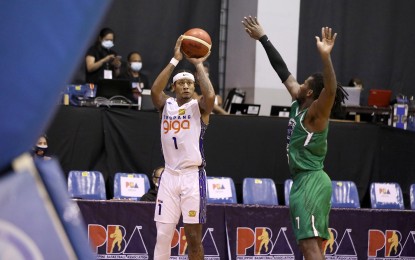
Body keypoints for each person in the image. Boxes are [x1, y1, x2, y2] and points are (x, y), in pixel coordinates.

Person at [242, 16, 346, 260]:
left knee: (310, 247)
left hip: (311, 181)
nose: (296, 83)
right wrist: (263, 38)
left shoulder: (314, 115)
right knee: (310, 247)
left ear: (309, 91)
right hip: (302, 181)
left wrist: (326, 57)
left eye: (304, 83)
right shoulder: (298, 103)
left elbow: (329, 91)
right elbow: (282, 71)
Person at [151, 35, 215, 260]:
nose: (187, 85)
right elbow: (154, 92)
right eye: (182, 82)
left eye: (190, 83)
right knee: (163, 234)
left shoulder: (199, 108)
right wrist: (175, 60)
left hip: (192, 177)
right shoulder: (165, 105)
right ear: (175, 86)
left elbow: (210, 96)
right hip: (169, 175)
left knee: (194, 238)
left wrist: (198, 65)